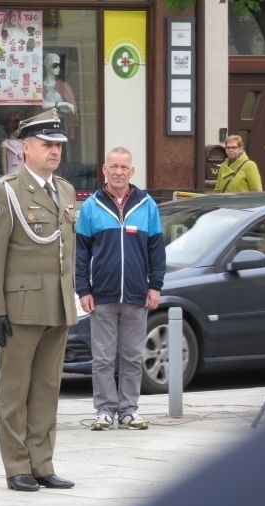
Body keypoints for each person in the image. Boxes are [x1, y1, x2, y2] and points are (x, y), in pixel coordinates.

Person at [0, 109, 78, 492]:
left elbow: (68, 250)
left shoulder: (64, 190)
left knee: (47, 388)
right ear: (25, 147)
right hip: (20, 307)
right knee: (15, 391)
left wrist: (71, 298)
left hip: (56, 304)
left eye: (59, 145)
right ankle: (17, 465)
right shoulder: (6, 191)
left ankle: (42, 462)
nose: (55, 151)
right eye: (47, 144)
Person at [76, 147, 166, 431]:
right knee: (102, 358)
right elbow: (81, 254)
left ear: (132, 171)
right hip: (102, 295)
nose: (118, 172)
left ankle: (128, 410)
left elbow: (157, 251)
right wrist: (83, 290)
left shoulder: (147, 205)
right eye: (113, 166)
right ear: (104, 169)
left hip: (137, 295)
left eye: (123, 167)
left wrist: (155, 286)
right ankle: (104, 410)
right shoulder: (91, 206)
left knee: (132, 356)